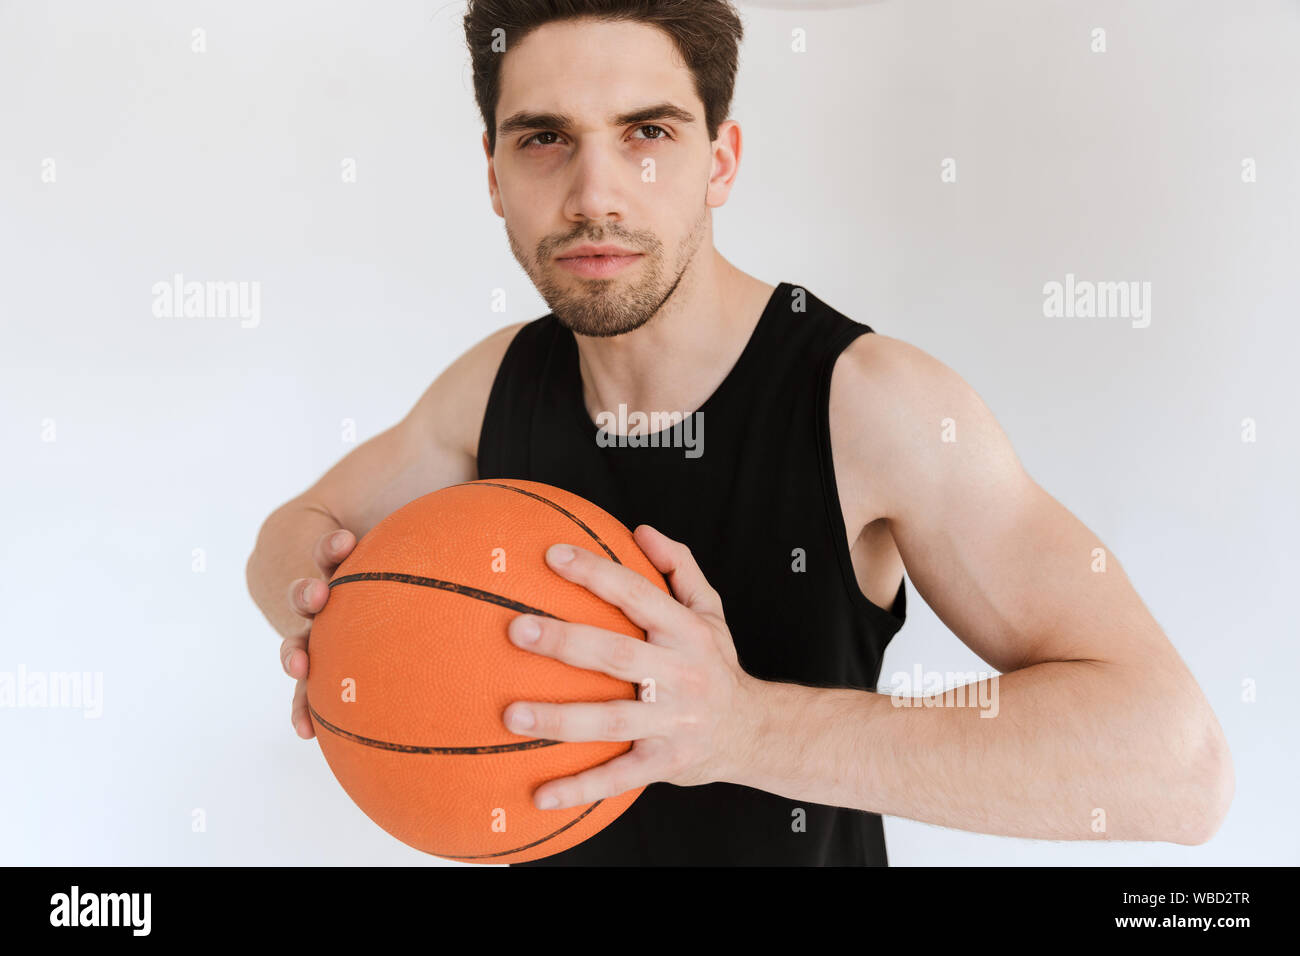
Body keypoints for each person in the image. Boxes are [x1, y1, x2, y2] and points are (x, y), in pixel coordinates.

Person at [245, 0, 1232, 865]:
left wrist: (742, 726)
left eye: (647, 132)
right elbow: (297, 528)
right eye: (543, 137)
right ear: (495, 175)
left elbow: (1175, 763)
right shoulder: (496, 383)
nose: (594, 192)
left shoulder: (868, 402)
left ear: (719, 162)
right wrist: (326, 607)